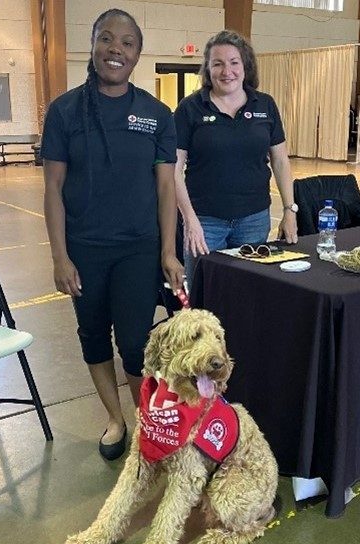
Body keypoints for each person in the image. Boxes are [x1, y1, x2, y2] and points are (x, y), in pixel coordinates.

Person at [41, 8, 183, 461]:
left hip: (138, 251)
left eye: (126, 43)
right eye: (107, 39)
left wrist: (167, 251)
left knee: (137, 344)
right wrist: (60, 257)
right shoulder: (64, 111)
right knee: (93, 337)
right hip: (84, 252)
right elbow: (53, 188)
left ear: (138, 54)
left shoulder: (156, 114)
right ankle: (116, 419)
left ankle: (145, 423)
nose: (115, 49)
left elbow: (166, 188)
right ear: (94, 44)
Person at [174, 29, 298, 282]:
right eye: (217, 64)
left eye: (234, 63)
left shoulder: (265, 105)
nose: (226, 71)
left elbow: (280, 161)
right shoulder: (190, 108)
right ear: (207, 70)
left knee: (247, 293)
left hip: (254, 220)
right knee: (203, 294)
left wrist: (289, 210)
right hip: (205, 222)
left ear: (245, 66)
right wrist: (190, 220)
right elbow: (173, 169)